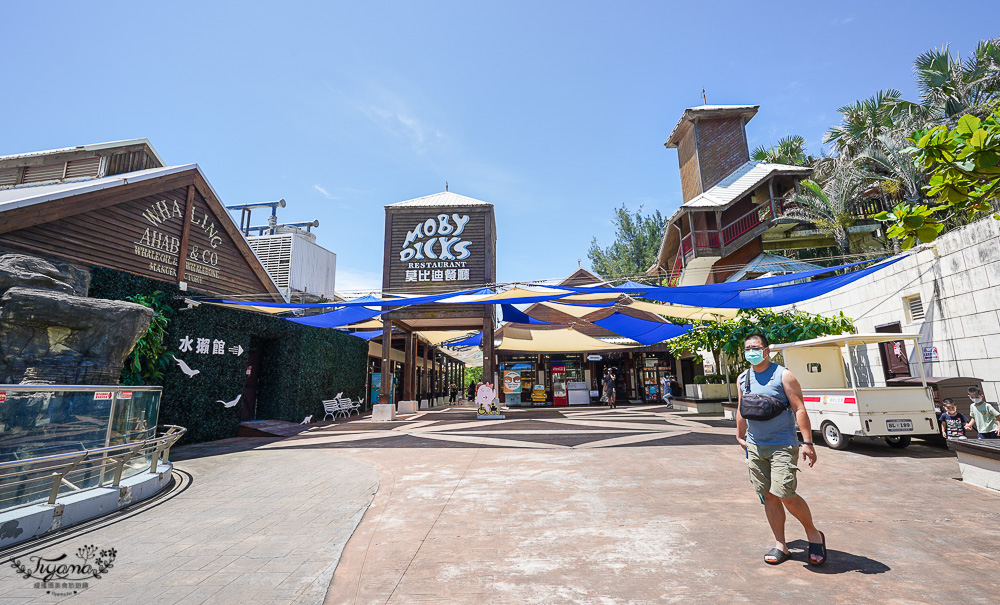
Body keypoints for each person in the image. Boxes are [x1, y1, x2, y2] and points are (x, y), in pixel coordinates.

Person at [735, 333, 826, 566]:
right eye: (747, 349)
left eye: (755, 348)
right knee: (768, 495)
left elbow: (799, 409)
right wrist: (739, 434)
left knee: (785, 493)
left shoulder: (783, 375)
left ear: (767, 350)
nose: (751, 352)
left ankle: (814, 534)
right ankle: (781, 545)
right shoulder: (743, 378)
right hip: (755, 446)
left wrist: (807, 442)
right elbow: (741, 408)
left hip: (782, 445)